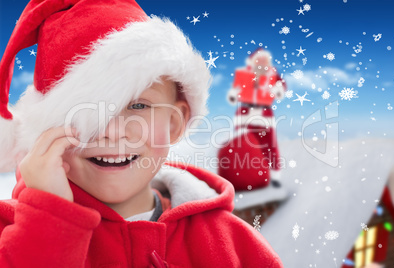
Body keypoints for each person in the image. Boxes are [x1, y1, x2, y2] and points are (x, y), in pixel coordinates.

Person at [0, 0, 283, 267]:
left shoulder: (236, 246)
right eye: (83, 110)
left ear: (174, 123)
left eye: (137, 105)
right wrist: (50, 222)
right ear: (45, 129)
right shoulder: (9, 234)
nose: (112, 130)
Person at [218, 48, 287, 218]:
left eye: (264, 61)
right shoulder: (244, 75)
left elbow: (280, 89)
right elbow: (235, 90)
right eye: (259, 60)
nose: (262, 64)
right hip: (245, 116)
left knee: (269, 147)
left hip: (264, 115)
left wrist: (275, 89)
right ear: (253, 62)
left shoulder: (274, 75)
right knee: (243, 147)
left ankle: (274, 176)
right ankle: (241, 176)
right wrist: (234, 95)